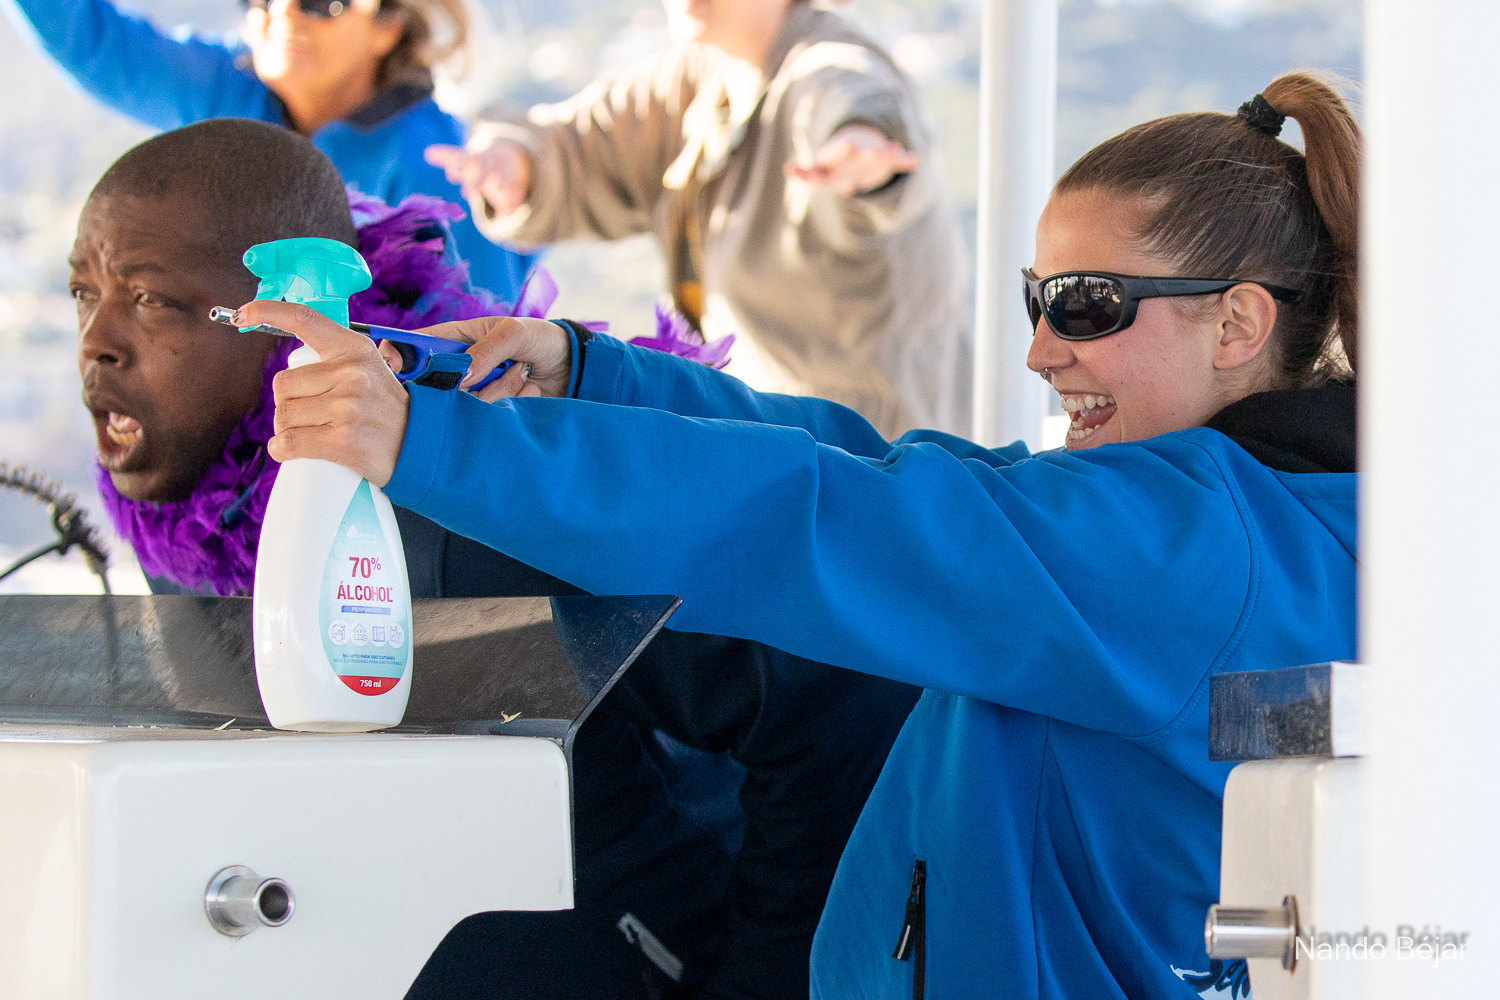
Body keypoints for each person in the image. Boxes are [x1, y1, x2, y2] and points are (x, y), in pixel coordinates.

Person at [257, 72, 1360, 997]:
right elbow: (879, 472)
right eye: (1038, 300)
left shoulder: (1174, 555)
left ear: (1237, 322)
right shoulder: (1285, 524)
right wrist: (589, 377)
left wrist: (436, 445)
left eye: (1087, 304)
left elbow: (810, 512)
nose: (1040, 350)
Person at [73, 118, 920, 999]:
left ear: (293, 317)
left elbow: (832, 706)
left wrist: (758, 987)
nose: (96, 337)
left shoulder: (470, 492)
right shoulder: (194, 524)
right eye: (81, 292)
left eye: (151, 299)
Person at [427, 0, 972, 438]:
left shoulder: (827, 66)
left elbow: (851, 99)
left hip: (872, 459)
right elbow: (573, 146)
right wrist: (515, 162)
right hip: (772, 448)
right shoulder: (695, 80)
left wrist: (863, 152)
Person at [7, 0, 536, 299]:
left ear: (387, 27)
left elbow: (487, 345)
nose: (285, 14)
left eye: (321, 2)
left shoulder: (436, 166)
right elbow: (90, 43)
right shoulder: (231, 89)